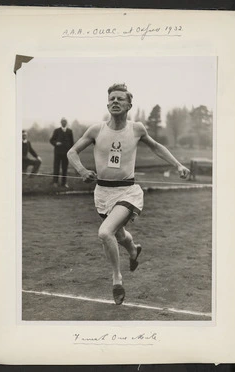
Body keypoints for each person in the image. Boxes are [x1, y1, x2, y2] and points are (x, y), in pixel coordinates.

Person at [67, 83, 190, 305]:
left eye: (120, 99)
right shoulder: (96, 130)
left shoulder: (136, 129)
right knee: (119, 235)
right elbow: (72, 151)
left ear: (129, 105)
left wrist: (178, 165)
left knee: (105, 233)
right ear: (107, 103)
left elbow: (156, 147)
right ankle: (133, 251)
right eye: (112, 98)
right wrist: (82, 170)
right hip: (102, 193)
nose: (115, 101)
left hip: (128, 192)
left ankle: (117, 279)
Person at [50, 118, 74, 187]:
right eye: (62, 122)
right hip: (58, 153)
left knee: (65, 168)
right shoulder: (57, 131)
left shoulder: (70, 131)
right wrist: (56, 143)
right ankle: (55, 182)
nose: (63, 123)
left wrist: (71, 151)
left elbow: (72, 142)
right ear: (60, 123)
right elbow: (51, 140)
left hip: (66, 153)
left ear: (66, 123)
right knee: (56, 167)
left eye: (65, 121)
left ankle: (64, 183)